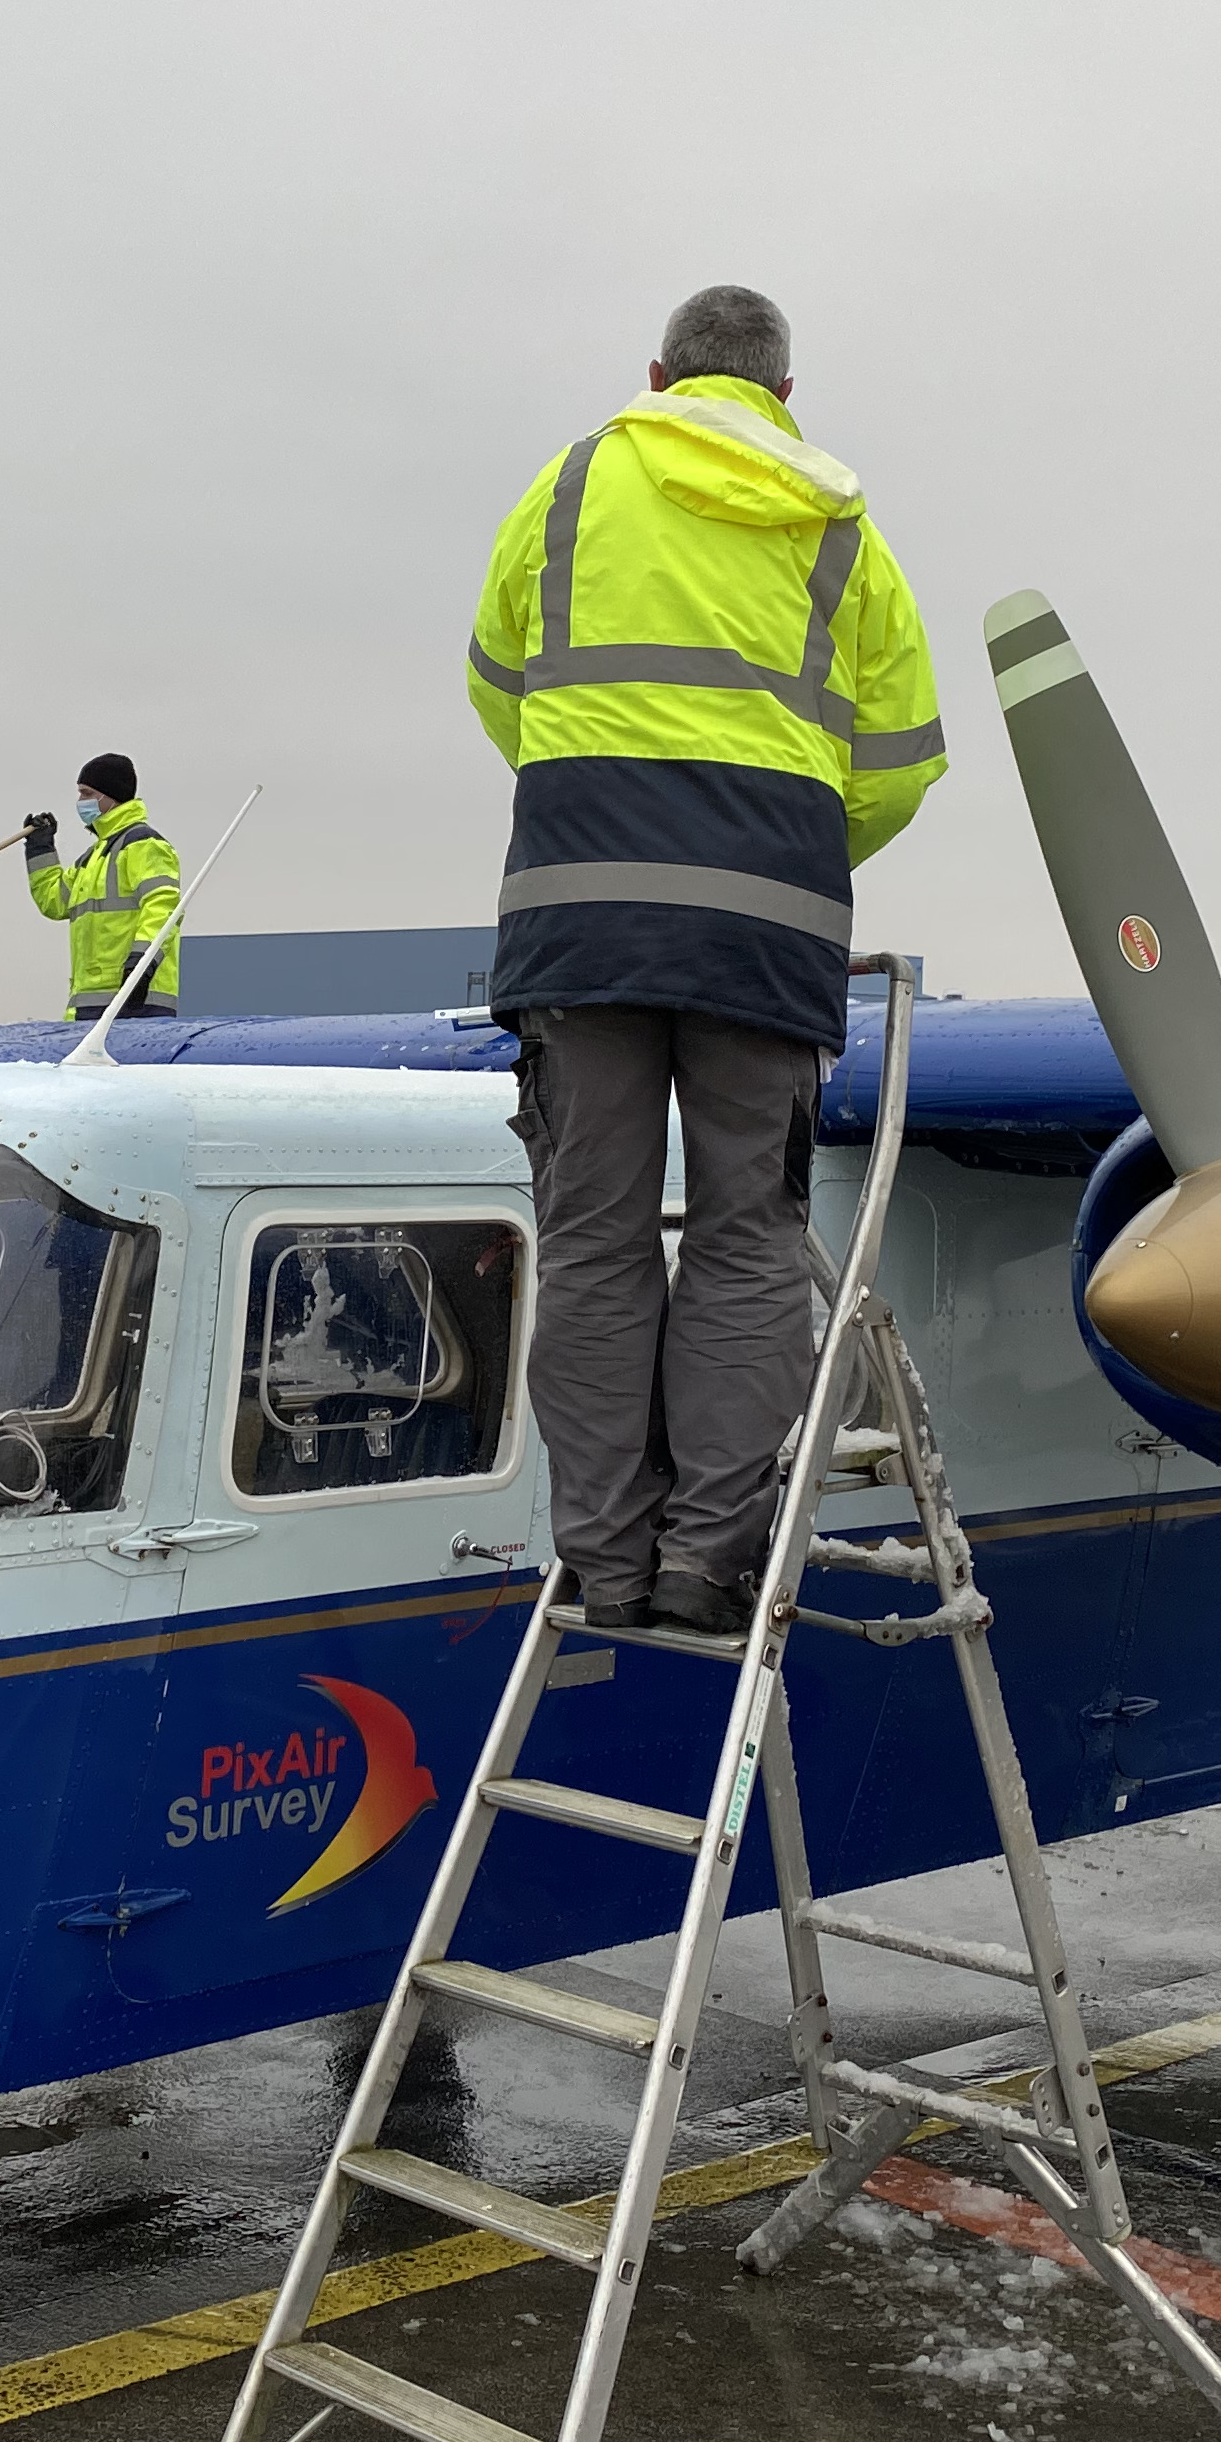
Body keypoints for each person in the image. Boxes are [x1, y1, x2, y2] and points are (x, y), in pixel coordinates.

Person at [466, 286, 947, 1633]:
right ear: (784, 398)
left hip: (580, 918)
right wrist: (782, 846)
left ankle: (607, 1567)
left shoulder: (567, 490)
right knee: (747, 1242)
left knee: (595, 1240)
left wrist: (608, 805)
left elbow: (497, 685)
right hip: (765, 929)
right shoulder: (841, 527)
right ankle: (701, 1566)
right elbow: (905, 758)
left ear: (659, 374)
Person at [24, 754, 184, 1020]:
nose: (80, 802)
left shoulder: (144, 845)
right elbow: (53, 902)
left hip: (136, 999)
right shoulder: (92, 858)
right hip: (88, 1002)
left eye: (87, 793)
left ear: (112, 796)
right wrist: (40, 848)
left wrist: (142, 964)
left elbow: (163, 908)